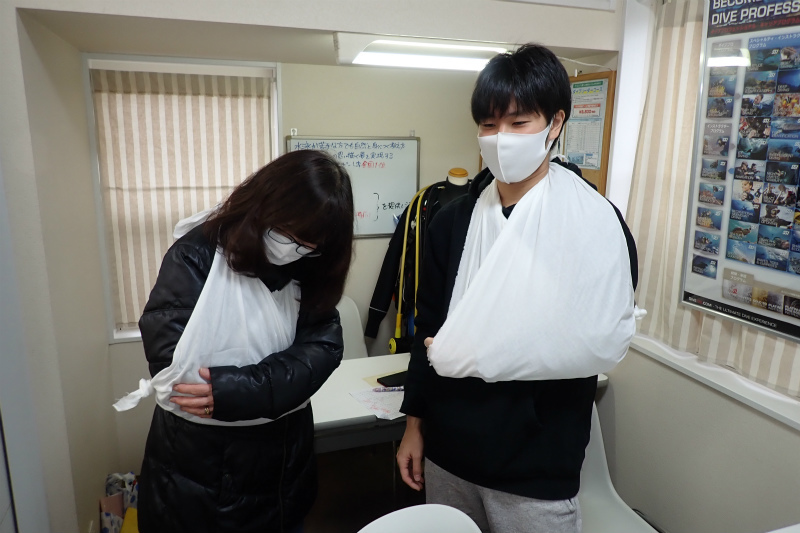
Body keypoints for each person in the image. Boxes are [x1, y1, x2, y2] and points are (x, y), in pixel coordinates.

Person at [396, 44, 638, 533]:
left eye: (518, 122)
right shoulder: (451, 222)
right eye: (488, 125)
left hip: (538, 463)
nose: (500, 138)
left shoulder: (593, 222)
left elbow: (598, 334)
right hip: (450, 452)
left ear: (555, 123)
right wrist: (414, 425)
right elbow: (429, 330)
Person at [136, 150, 354, 533]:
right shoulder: (196, 256)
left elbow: (324, 347)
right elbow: (177, 373)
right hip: (203, 475)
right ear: (263, 204)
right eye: (286, 233)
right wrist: (272, 386)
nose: (292, 249)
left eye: (307, 243)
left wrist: (236, 390)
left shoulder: (309, 265)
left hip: (284, 471)